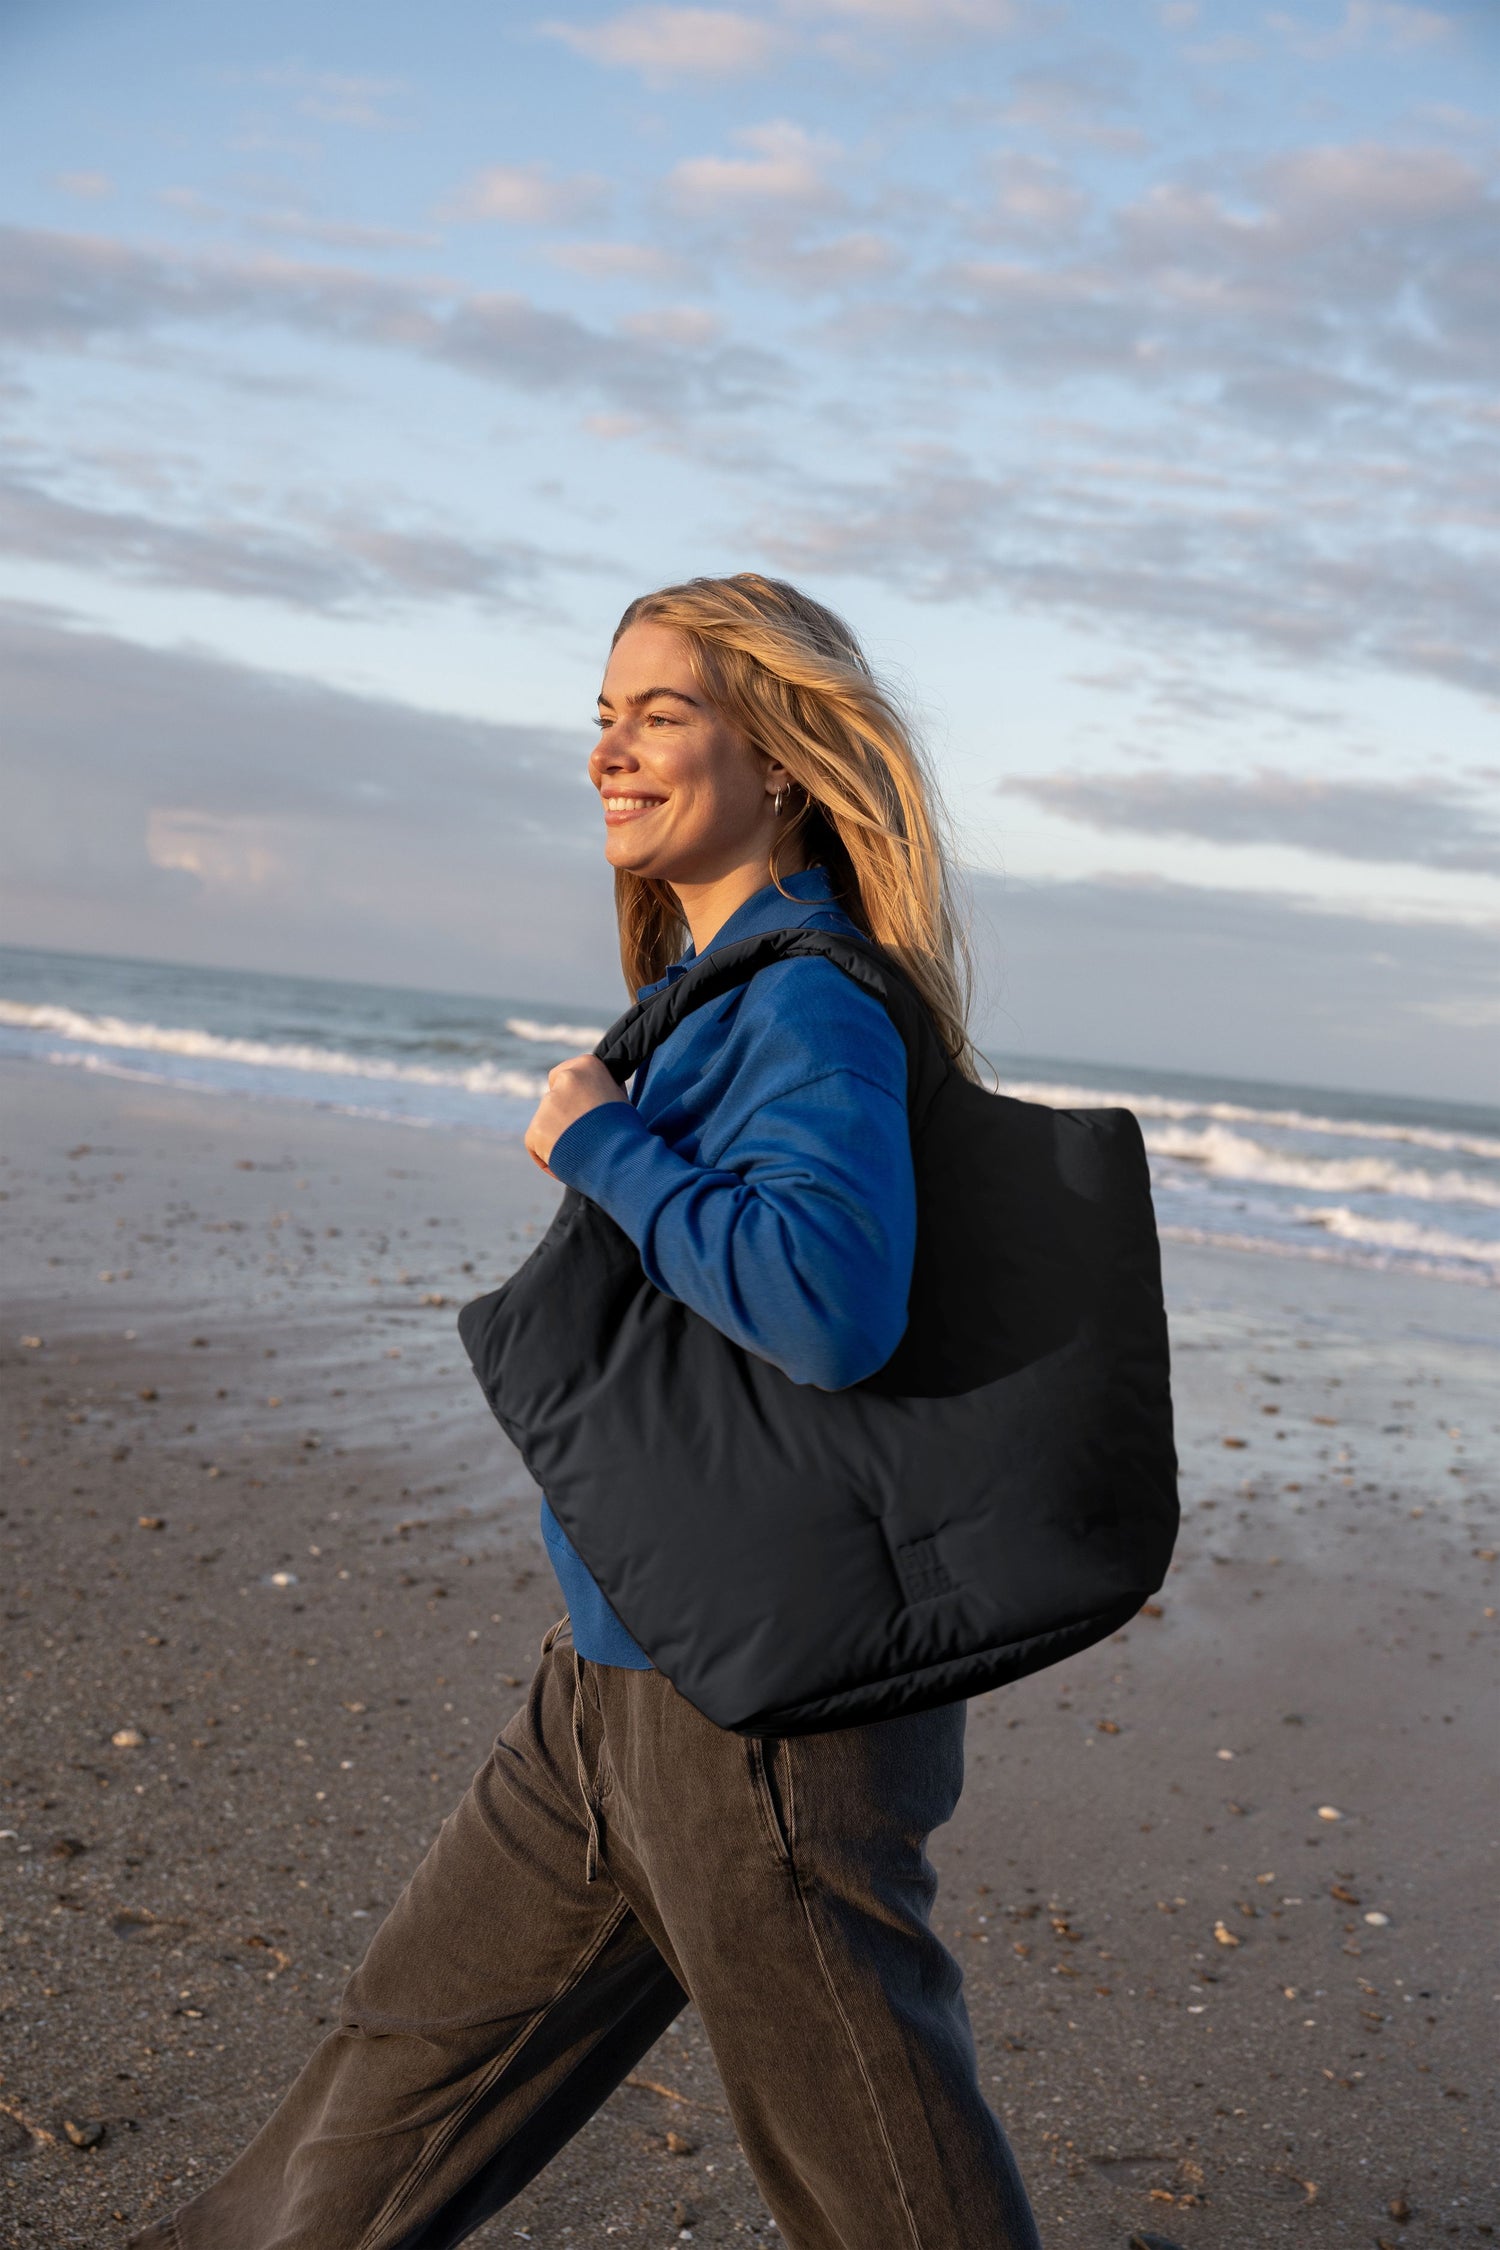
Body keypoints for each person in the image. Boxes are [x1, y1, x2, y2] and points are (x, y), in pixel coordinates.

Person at [130, 575, 1043, 2250]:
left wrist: (600, 1144)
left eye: (660, 714)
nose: (611, 753)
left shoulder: (810, 998)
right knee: (367, 2122)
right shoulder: (716, 992)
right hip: (615, 1695)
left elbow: (829, 1304)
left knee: (893, 2203)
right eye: (602, 720)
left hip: (762, 1733)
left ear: (778, 758)